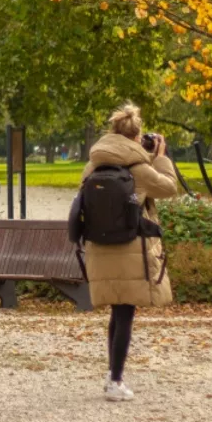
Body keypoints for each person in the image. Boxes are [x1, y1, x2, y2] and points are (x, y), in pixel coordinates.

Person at [78, 103, 178, 402]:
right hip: (131, 246)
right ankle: (115, 381)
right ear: (137, 137)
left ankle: (113, 376)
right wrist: (160, 158)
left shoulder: (94, 165)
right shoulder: (139, 167)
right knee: (125, 313)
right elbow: (169, 188)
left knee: (117, 312)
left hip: (99, 245)